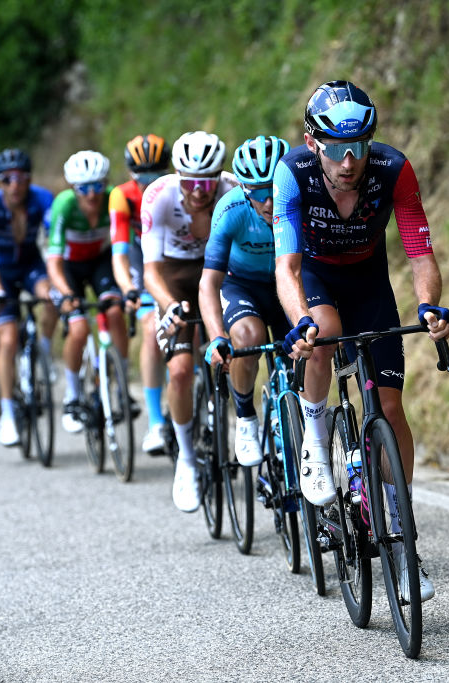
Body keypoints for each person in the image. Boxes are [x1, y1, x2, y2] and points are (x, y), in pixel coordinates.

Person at [272, 80, 449, 602]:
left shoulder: (393, 169)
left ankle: (403, 540)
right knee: (325, 332)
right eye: (335, 148)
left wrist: (428, 307)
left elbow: (419, 248)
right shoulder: (292, 174)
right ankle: (313, 432)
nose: (348, 161)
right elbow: (285, 266)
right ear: (313, 143)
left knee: (392, 409)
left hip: (370, 280)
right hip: (316, 279)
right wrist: (300, 320)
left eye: (358, 147)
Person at [140, 130, 238, 512]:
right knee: (179, 371)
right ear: (179, 176)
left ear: (219, 177)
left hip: (220, 269)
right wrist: (168, 305)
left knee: (241, 339)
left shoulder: (231, 189)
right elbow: (150, 273)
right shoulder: (159, 196)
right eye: (191, 181)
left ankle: (246, 419)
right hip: (175, 273)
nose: (200, 190)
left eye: (207, 181)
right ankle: (186, 458)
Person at [199, 135, 292, 467]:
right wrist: (216, 337)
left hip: (288, 287)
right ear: (244, 191)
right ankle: (245, 417)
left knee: (305, 348)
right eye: (259, 194)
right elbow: (209, 282)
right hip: (242, 287)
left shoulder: (301, 200)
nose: (269, 203)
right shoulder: (231, 209)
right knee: (249, 338)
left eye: (275, 191)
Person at [47, 150, 130, 434]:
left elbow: (122, 247)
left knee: (115, 310)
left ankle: (120, 384)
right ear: (73, 188)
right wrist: (66, 294)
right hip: (69, 269)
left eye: (98, 186)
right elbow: (54, 263)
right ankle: (71, 395)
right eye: (84, 188)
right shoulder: (64, 206)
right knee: (79, 328)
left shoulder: (113, 199)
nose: (92, 194)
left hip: (100, 263)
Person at [0, 148, 56, 447]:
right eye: (7, 179)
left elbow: (53, 243)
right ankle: (8, 413)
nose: (14, 185)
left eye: (20, 178)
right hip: (1, 271)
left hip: (31, 265)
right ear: (0, 183)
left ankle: (45, 350)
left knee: (52, 297)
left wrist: (56, 277)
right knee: (8, 339)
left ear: (29, 179)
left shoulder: (42, 199)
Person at [109, 134, 171, 454]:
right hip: (139, 257)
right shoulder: (121, 197)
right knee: (151, 329)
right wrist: (129, 289)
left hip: (170, 254)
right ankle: (157, 422)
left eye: (157, 177)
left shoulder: (177, 189)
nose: (150, 185)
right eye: (142, 178)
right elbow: (119, 255)